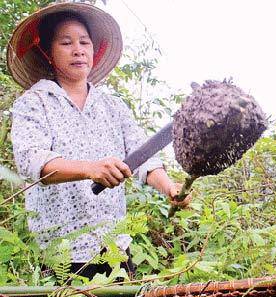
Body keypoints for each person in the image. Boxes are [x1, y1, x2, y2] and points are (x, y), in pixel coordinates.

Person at [7, 2, 190, 280]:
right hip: (62, 251)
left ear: (95, 49)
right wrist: (91, 169)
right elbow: (33, 162)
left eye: (84, 42)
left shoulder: (113, 106)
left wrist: (169, 188)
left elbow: (143, 156)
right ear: (48, 52)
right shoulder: (34, 103)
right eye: (66, 42)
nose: (78, 49)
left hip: (114, 244)